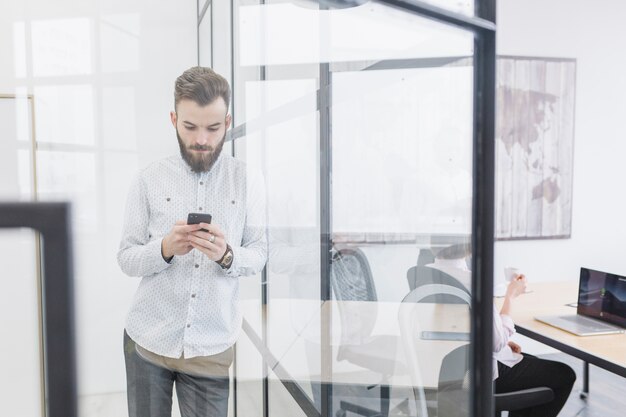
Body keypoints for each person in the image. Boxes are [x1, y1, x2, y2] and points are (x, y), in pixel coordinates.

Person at [117, 66, 267, 417]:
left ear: (227, 122)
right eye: (190, 126)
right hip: (147, 341)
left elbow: (259, 253)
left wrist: (227, 255)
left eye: (213, 128)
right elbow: (126, 257)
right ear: (173, 119)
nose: (202, 138)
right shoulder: (148, 180)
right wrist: (165, 249)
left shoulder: (248, 181)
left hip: (211, 347)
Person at [427, 244, 575, 417]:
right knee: (565, 375)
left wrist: (498, 339)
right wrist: (510, 296)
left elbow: (449, 323)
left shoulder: (426, 272)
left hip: (450, 366)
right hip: (482, 371)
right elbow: (496, 343)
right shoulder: (473, 281)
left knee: (530, 362)